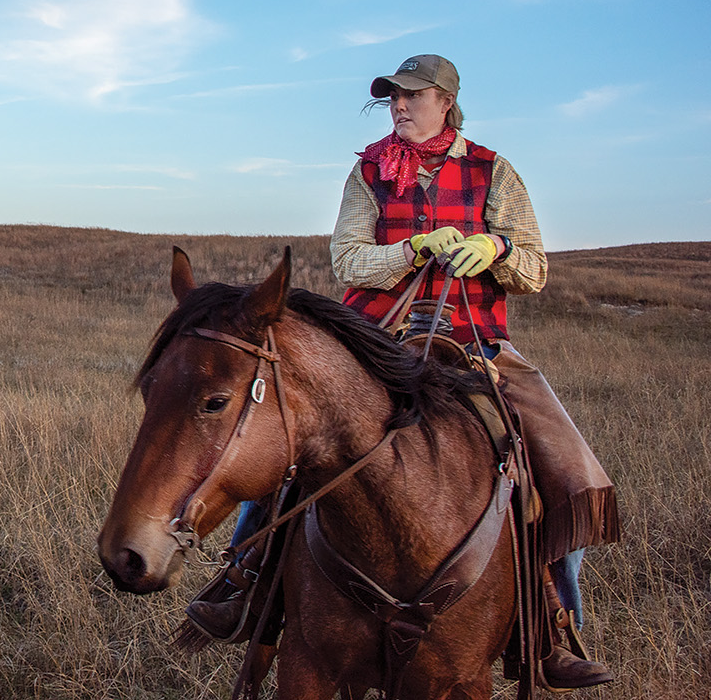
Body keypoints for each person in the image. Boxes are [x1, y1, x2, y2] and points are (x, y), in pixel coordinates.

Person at [186, 55, 618, 690]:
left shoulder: (493, 170)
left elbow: (535, 268)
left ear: (446, 101)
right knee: (296, 446)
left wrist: (493, 250)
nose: (398, 106)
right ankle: (243, 578)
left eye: (411, 96)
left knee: (560, 468)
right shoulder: (368, 171)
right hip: (378, 341)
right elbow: (348, 261)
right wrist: (413, 247)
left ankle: (553, 625)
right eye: (392, 97)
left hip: (476, 343)